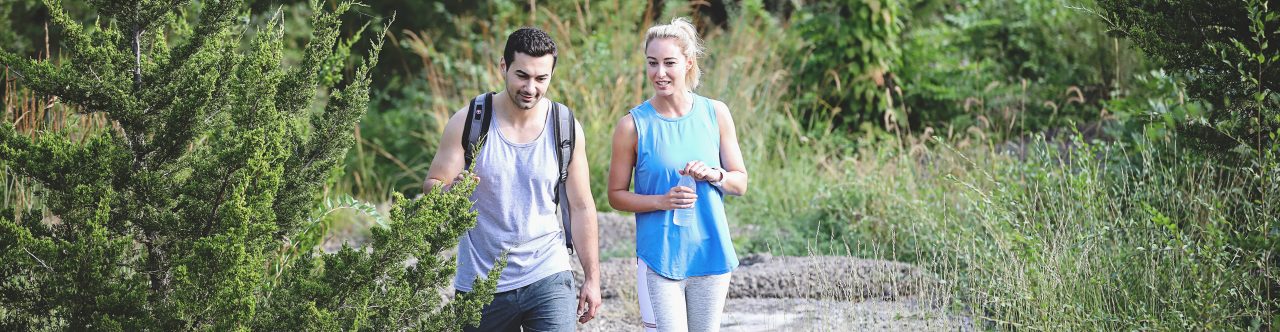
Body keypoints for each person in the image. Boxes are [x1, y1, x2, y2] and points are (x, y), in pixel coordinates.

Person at [423, 27, 601, 332]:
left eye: (541, 79)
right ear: (503, 67)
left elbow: (582, 206)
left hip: (548, 273)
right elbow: (433, 185)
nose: (530, 87)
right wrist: (451, 192)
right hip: (480, 283)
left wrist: (593, 280)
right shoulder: (470, 121)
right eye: (522, 75)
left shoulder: (565, 127)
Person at [606, 17, 748, 332]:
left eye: (669, 63)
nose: (660, 73)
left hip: (710, 253)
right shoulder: (632, 126)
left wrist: (714, 174)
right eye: (652, 63)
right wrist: (661, 200)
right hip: (659, 258)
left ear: (688, 63)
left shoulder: (716, 113)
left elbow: (740, 181)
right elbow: (615, 195)